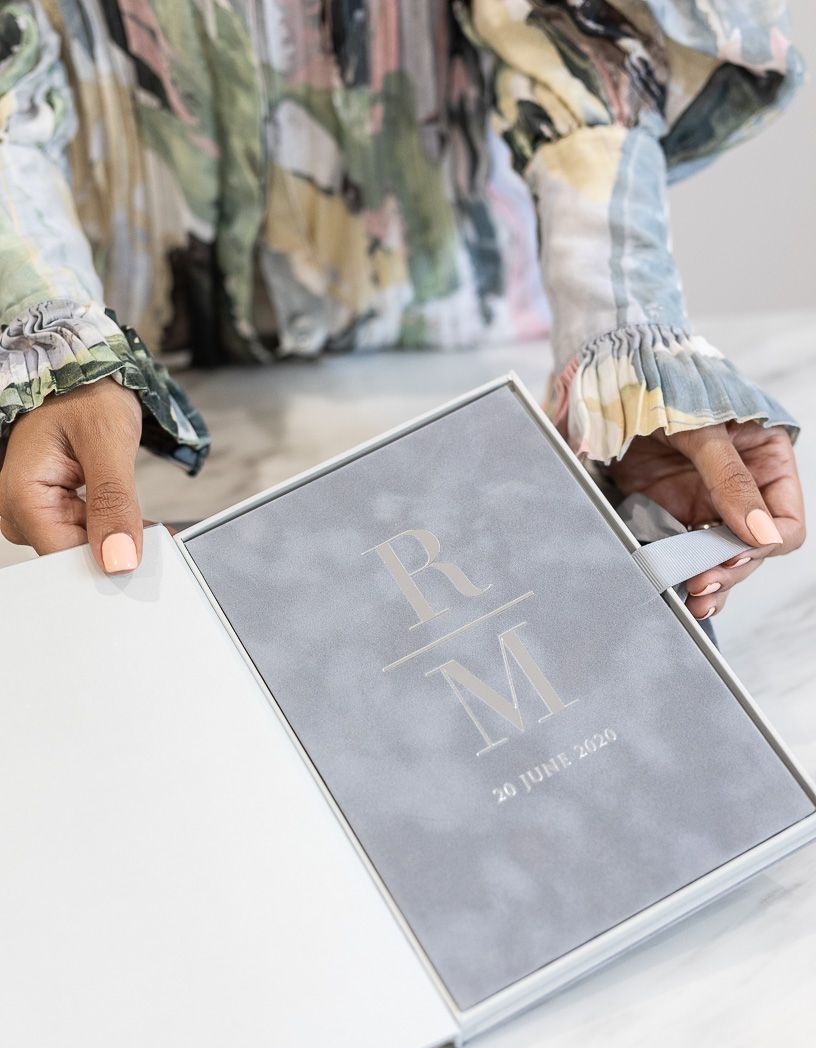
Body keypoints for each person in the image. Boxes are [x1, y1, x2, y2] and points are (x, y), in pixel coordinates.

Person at [0, 0, 805, 624]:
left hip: (465, 349)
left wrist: (627, 351)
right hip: (126, 371)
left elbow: (574, 37)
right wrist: (55, 354)